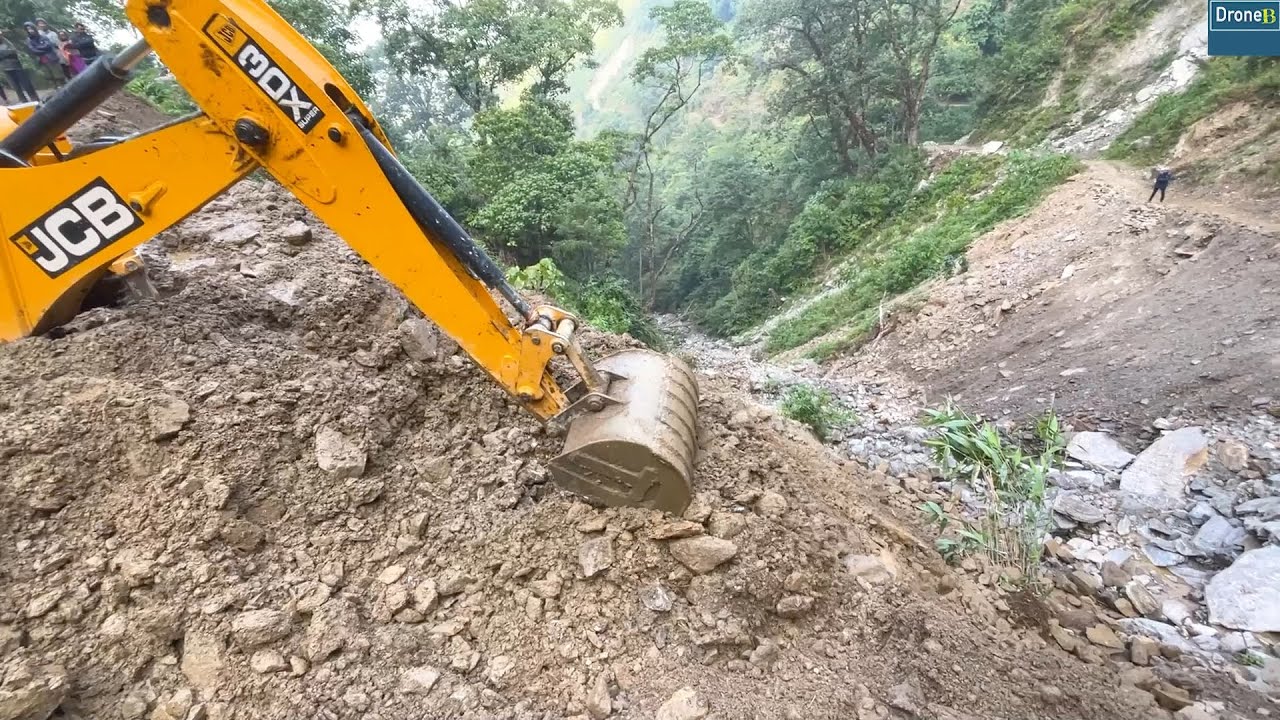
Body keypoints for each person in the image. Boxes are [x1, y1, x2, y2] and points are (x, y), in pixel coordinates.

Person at [24, 22, 64, 88]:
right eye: (28, 29)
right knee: (49, 77)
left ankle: (62, 87)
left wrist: (38, 47)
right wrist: (42, 48)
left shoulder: (42, 36)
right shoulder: (29, 40)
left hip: (51, 58)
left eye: (31, 28)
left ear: (34, 28)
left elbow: (48, 45)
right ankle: (55, 89)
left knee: (58, 75)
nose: (30, 30)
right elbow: (33, 50)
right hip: (42, 60)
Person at [0, 36, 38, 103]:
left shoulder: (7, 43)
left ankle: (33, 97)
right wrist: (5, 54)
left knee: (25, 83)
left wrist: (3, 54)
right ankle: (22, 99)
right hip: (5, 68)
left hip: (16, 65)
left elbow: (13, 51)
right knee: (15, 85)